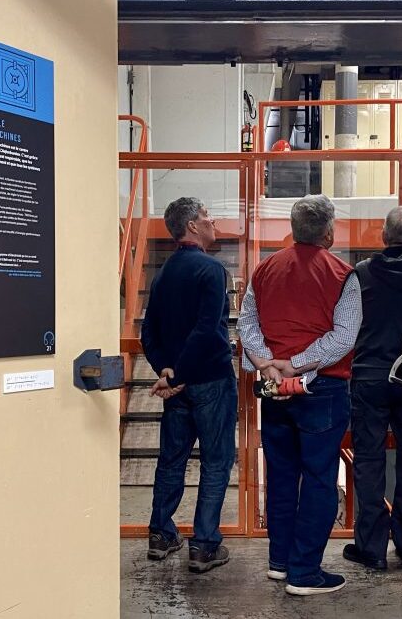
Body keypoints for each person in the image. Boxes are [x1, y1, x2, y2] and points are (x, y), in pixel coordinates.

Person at [238, 194, 361, 596]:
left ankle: (280, 561)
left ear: (292, 230)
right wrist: (299, 364)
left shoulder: (264, 270)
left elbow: (247, 323)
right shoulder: (344, 275)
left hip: (274, 390)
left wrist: (267, 364)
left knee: (282, 475)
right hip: (321, 389)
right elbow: (343, 337)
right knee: (320, 479)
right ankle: (304, 573)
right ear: (330, 232)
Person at [140, 197, 237, 574]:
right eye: (208, 217)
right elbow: (205, 331)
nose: (213, 222)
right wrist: (177, 375)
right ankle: (204, 545)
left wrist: (165, 372)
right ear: (193, 226)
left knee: (172, 460)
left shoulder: (163, 274)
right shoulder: (212, 271)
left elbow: (149, 331)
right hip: (210, 381)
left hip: (176, 388)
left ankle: (161, 535)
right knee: (216, 463)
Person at [344, 205, 402, 571]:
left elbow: (347, 327)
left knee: (368, 461)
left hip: (369, 376)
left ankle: (371, 549)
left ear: (384, 236)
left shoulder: (362, 274)